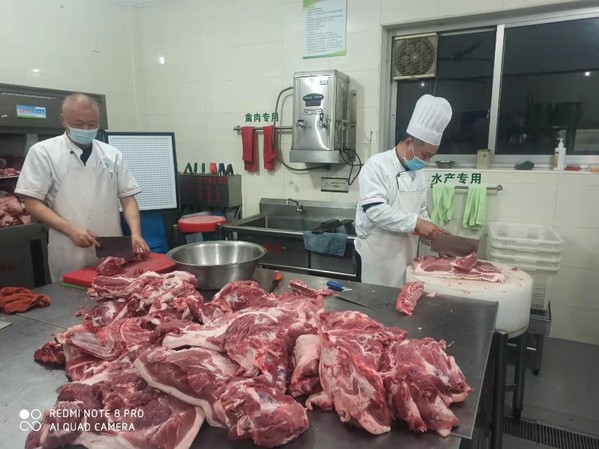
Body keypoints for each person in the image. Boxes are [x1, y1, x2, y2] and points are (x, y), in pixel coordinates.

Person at [15, 93, 149, 282]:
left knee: (116, 292)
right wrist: (71, 230)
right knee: (72, 295)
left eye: (92, 124)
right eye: (79, 124)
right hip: (68, 247)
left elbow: (127, 199)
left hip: (111, 247)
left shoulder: (111, 154)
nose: (86, 129)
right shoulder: (43, 152)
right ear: (64, 120)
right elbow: (32, 204)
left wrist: (136, 234)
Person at [354, 94, 453, 288]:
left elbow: (421, 210)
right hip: (377, 257)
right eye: (425, 155)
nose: (427, 161)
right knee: (374, 303)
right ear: (408, 143)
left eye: (431, 157)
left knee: (402, 302)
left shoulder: (418, 173)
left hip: (406, 255)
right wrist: (417, 223)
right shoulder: (377, 166)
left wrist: (433, 234)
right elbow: (375, 211)